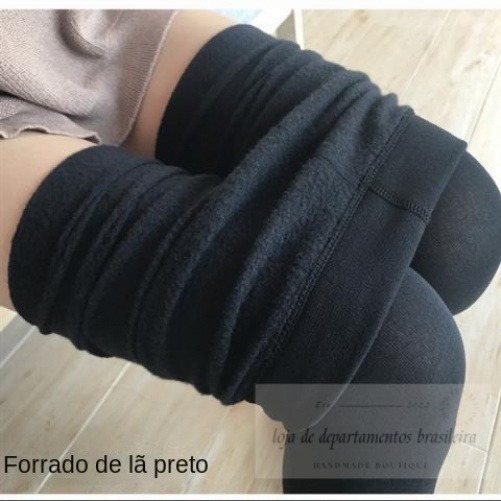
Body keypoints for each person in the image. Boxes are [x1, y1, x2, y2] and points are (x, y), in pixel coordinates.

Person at [1, 10, 500, 494]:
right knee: (392, 366)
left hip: (62, 23)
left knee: (465, 227)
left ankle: (303, 389)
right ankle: (306, 378)